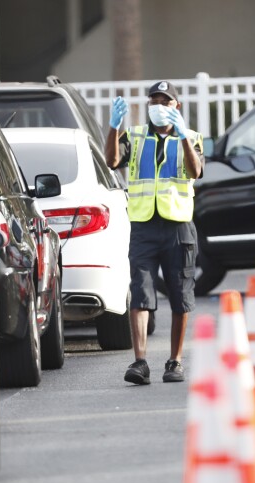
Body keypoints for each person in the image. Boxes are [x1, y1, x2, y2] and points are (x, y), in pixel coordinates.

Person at [105, 81, 204, 385]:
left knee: (180, 295)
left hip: (178, 227)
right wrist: (113, 127)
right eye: (154, 100)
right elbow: (111, 161)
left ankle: (174, 361)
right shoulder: (134, 136)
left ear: (177, 106)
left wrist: (184, 136)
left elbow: (195, 171)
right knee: (140, 291)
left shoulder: (193, 137)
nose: (159, 106)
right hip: (144, 225)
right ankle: (140, 362)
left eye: (166, 101)